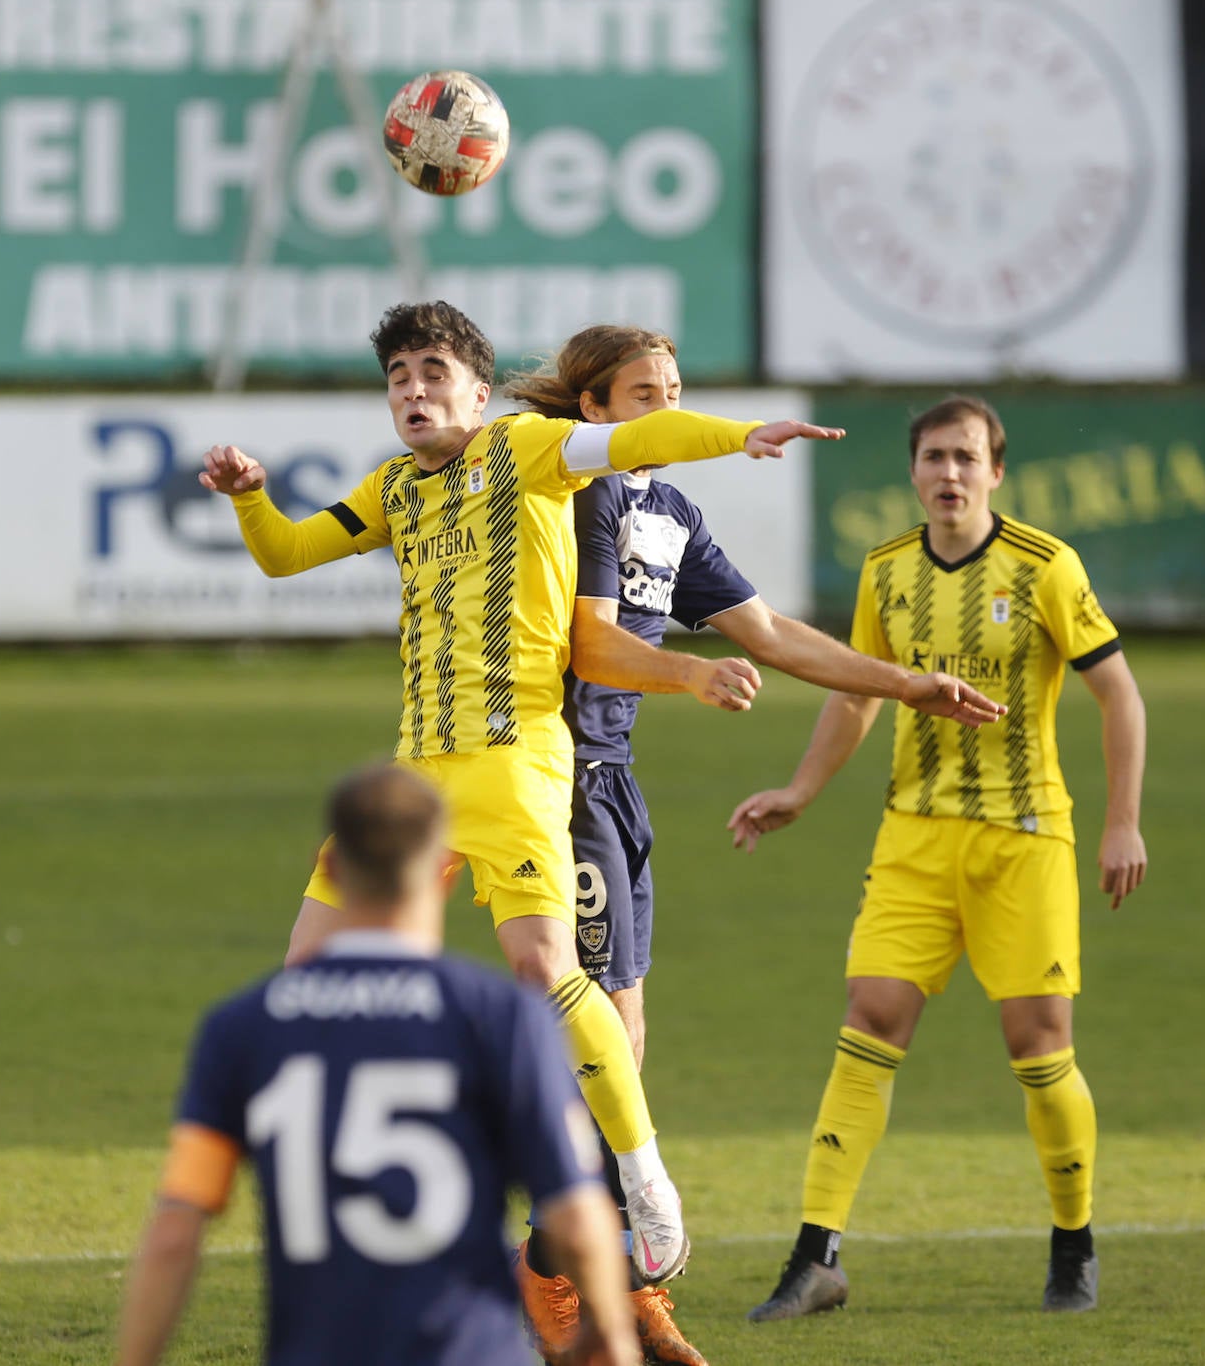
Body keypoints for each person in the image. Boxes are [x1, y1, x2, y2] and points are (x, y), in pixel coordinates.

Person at [198, 299, 850, 1290]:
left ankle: (642, 1178)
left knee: (546, 968)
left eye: (430, 372)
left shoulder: (527, 450)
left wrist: (736, 436)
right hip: (414, 777)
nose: (411, 391)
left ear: (475, 385)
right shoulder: (393, 489)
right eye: (397, 378)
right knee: (310, 979)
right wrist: (250, 496)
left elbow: (640, 434)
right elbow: (285, 553)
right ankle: (370, 1192)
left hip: (512, 763)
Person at [498, 330, 1006, 1366]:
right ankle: (564, 1272)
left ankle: (603, 1274)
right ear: (591, 408)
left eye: (676, 391)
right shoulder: (577, 495)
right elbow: (590, 642)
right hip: (547, 781)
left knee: (619, 1051)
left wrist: (905, 683)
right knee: (598, 1050)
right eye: (646, 393)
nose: (669, 408)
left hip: (612, 786)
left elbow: (768, 633)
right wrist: (687, 676)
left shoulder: (667, 510)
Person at [729, 394, 1148, 1320]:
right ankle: (815, 1258)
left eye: (965, 457)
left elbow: (1119, 695)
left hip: (1023, 836)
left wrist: (1121, 822)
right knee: (867, 1021)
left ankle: (1072, 1245)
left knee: (1037, 1047)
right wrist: (799, 790)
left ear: (995, 471)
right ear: (912, 473)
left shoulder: (1043, 566)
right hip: (913, 837)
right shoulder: (884, 572)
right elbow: (853, 696)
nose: (948, 474)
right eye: (933, 458)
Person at [114, 763, 641, 1366]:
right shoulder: (501, 1019)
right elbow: (576, 1212)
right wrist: (609, 1332)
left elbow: (178, 1225)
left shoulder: (243, 1029)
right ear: (442, 876)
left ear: (332, 868)